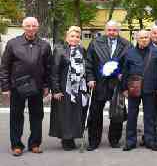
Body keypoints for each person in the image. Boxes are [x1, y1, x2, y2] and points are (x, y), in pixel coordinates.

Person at [0, 17, 52, 156]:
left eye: (33, 25)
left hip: (37, 86)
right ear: (23, 27)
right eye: (28, 25)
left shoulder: (45, 45)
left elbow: (48, 68)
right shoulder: (13, 43)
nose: (31, 28)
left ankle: (35, 144)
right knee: (16, 116)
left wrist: (47, 85)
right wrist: (5, 87)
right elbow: (5, 67)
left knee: (37, 116)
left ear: (37, 27)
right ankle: (16, 145)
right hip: (17, 86)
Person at [85, 20, 130, 151]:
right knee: (95, 114)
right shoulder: (95, 43)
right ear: (105, 30)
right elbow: (88, 63)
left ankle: (114, 139)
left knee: (117, 113)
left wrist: (123, 75)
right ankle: (93, 141)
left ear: (118, 31)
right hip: (99, 83)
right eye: (109, 30)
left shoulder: (126, 44)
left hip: (117, 84)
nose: (112, 32)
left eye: (115, 30)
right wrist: (90, 78)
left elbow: (129, 64)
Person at [49, 26, 93, 151]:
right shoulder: (59, 50)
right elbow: (54, 71)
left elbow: (86, 67)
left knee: (75, 114)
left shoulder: (82, 50)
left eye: (77, 37)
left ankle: (72, 137)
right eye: (72, 36)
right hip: (64, 88)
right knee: (65, 114)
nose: (75, 39)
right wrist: (56, 90)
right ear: (67, 37)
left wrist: (89, 80)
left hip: (79, 88)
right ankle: (66, 139)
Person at [122, 30, 157, 151]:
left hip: (150, 88)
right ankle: (130, 141)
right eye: (141, 37)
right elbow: (125, 72)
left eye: (146, 37)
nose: (144, 39)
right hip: (134, 89)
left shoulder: (156, 52)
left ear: (149, 38)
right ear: (136, 39)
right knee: (132, 116)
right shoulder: (129, 53)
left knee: (150, 116)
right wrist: (124, 88)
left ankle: (150, 140)